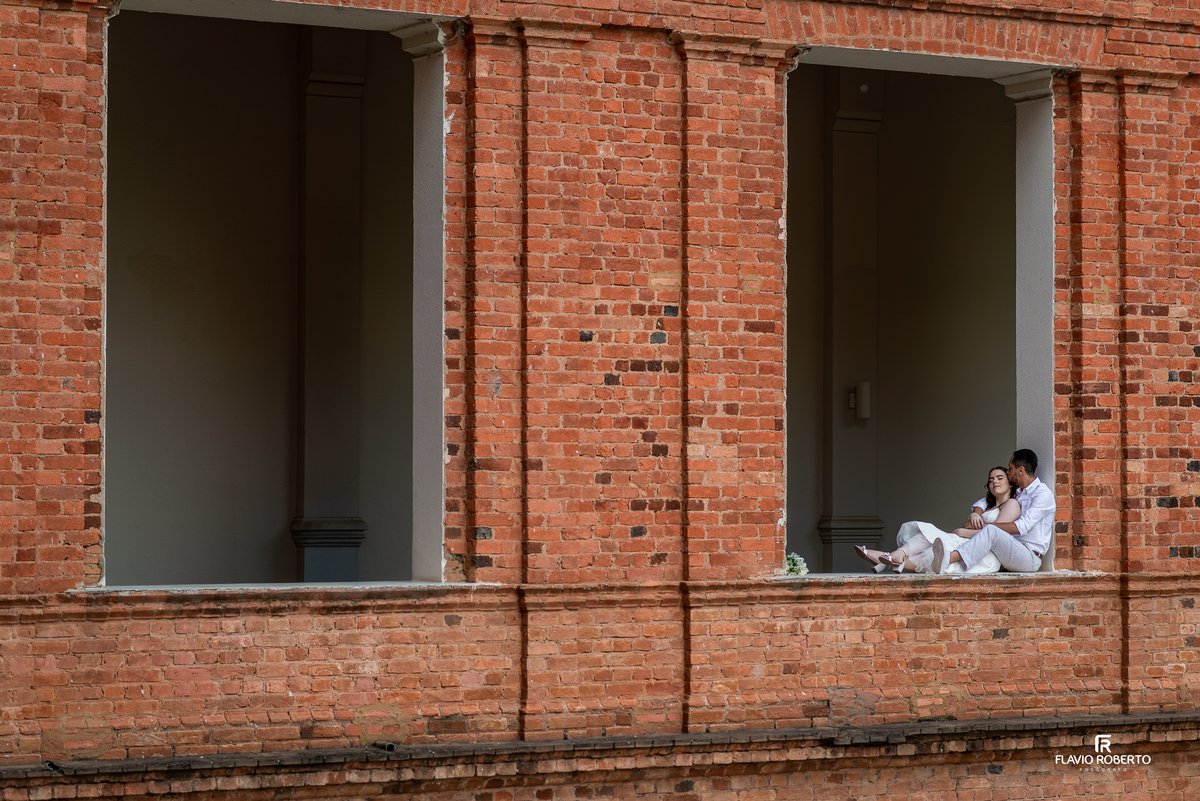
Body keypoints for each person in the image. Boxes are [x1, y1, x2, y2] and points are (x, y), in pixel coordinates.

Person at [854, 465, 1017, 574]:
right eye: (991, 479)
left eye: (999, 478)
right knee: (929, 536)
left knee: (934, 546)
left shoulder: (1011, 504)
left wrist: (962, 531)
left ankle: (890, 557)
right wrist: (973, 516)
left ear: (1010, 482)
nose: (994, 481)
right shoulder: (986, 506)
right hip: (968, 543)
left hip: (982, 554)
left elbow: (995, 535)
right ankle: (896, 557)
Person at [930, 448, 1055, 574]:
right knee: (985, 538)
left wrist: (984, 526)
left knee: (991, 531)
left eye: (1010, 468)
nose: (1007, 471)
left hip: (1029, 557)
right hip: (1010, 549)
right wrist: (976, 514)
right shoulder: (1019, 492)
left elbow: (1022, 527)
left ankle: (949, 558)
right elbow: (985, 501)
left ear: (1020, 470)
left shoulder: (1042, 494)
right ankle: (938, 560)